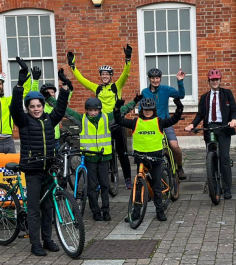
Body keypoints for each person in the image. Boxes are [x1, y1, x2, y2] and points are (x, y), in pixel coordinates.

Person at [10, 59, 70, 256]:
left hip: (48, 168)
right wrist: (19, 86)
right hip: (32, 170)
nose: (36, 109)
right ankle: (35, 244)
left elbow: (61, 108)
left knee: (48, 207)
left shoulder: (49, 119)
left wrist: (65, 87)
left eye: (39, 105)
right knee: (34, 208)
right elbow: (14, 108)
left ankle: (48, 239)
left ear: (44, 106)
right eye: (32, 106)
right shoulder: (24, 121)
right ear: (28, 107)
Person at [68, 45, 134, 188]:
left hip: (117, 121)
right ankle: (108, 175)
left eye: (107, 74)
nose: (104, 76)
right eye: (102, 74)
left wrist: (127, 59)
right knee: (106, 151)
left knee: (122, 152)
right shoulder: (97, 88)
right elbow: (82, 80)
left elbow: (126, 74)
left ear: (111, 76)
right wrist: (73, 66)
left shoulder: (117, 86)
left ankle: (128, 179)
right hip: (104, 123)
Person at [114, 96, 183, 222]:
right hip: (141, 158)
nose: (147, 111)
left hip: (155, 159)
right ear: (141, 110)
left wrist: (179, 106)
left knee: (157, 186)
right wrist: (117, 108)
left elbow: (174, 119)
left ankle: (160, 211)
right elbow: (119, 120)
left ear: (154, 110)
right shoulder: (135, 122)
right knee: (139, 185)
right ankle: (135, 212)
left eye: (150, 109)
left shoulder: (159, 122)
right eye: (145, 109)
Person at [185, 69, 236, 199]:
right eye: (212, 80)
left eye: (217, 80)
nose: (215, 82)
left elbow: (233, 109)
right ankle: (213, 183)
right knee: (211, 155)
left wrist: (233, 120)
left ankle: (226, 188)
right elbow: (200, 114)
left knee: (224, 157)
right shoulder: (205, 97)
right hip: (210, 128)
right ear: (209, 81)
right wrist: (192, 125)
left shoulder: (227, 93)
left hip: (224, 127)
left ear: (220, 80)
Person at [64, 97, 114, 221]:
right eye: (90, 110)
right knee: (92, 186)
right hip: (90, 158)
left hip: (103, 157)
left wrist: (135, 101)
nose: (93, 113)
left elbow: (121, 111)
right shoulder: (82, 119)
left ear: (99, 110)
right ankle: (95, 212)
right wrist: (50, 99)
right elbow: (66, 111)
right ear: (86, 110)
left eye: (95, 110)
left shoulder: (106, 118)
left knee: (105, 185)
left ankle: (106, 210)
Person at [141, 67, 187, 180]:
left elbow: (181, 95)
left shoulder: (165, 89)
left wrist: (180, 81)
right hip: (151, 124)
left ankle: (179, 167)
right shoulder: (144, 92)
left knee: (174, 146)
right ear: (149, 79)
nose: (155, 80)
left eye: (157, 78)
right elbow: (140, 109)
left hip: (165, 123)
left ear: (160, 79)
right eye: (153, 78)